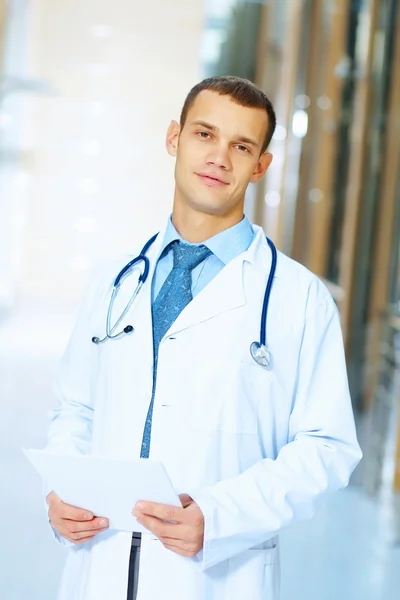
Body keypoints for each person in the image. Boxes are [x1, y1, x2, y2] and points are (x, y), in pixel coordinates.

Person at [45, 75, 362, 600]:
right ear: (175, 138)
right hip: (95, 567)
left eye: (241, 146)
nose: (219, 157)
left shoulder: (298, 298)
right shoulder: (114, 278)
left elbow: (326, 448)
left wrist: (222, 517)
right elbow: (76, 409)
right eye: (204, 135)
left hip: (214, 576)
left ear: (261, 166)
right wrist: (63, 494)